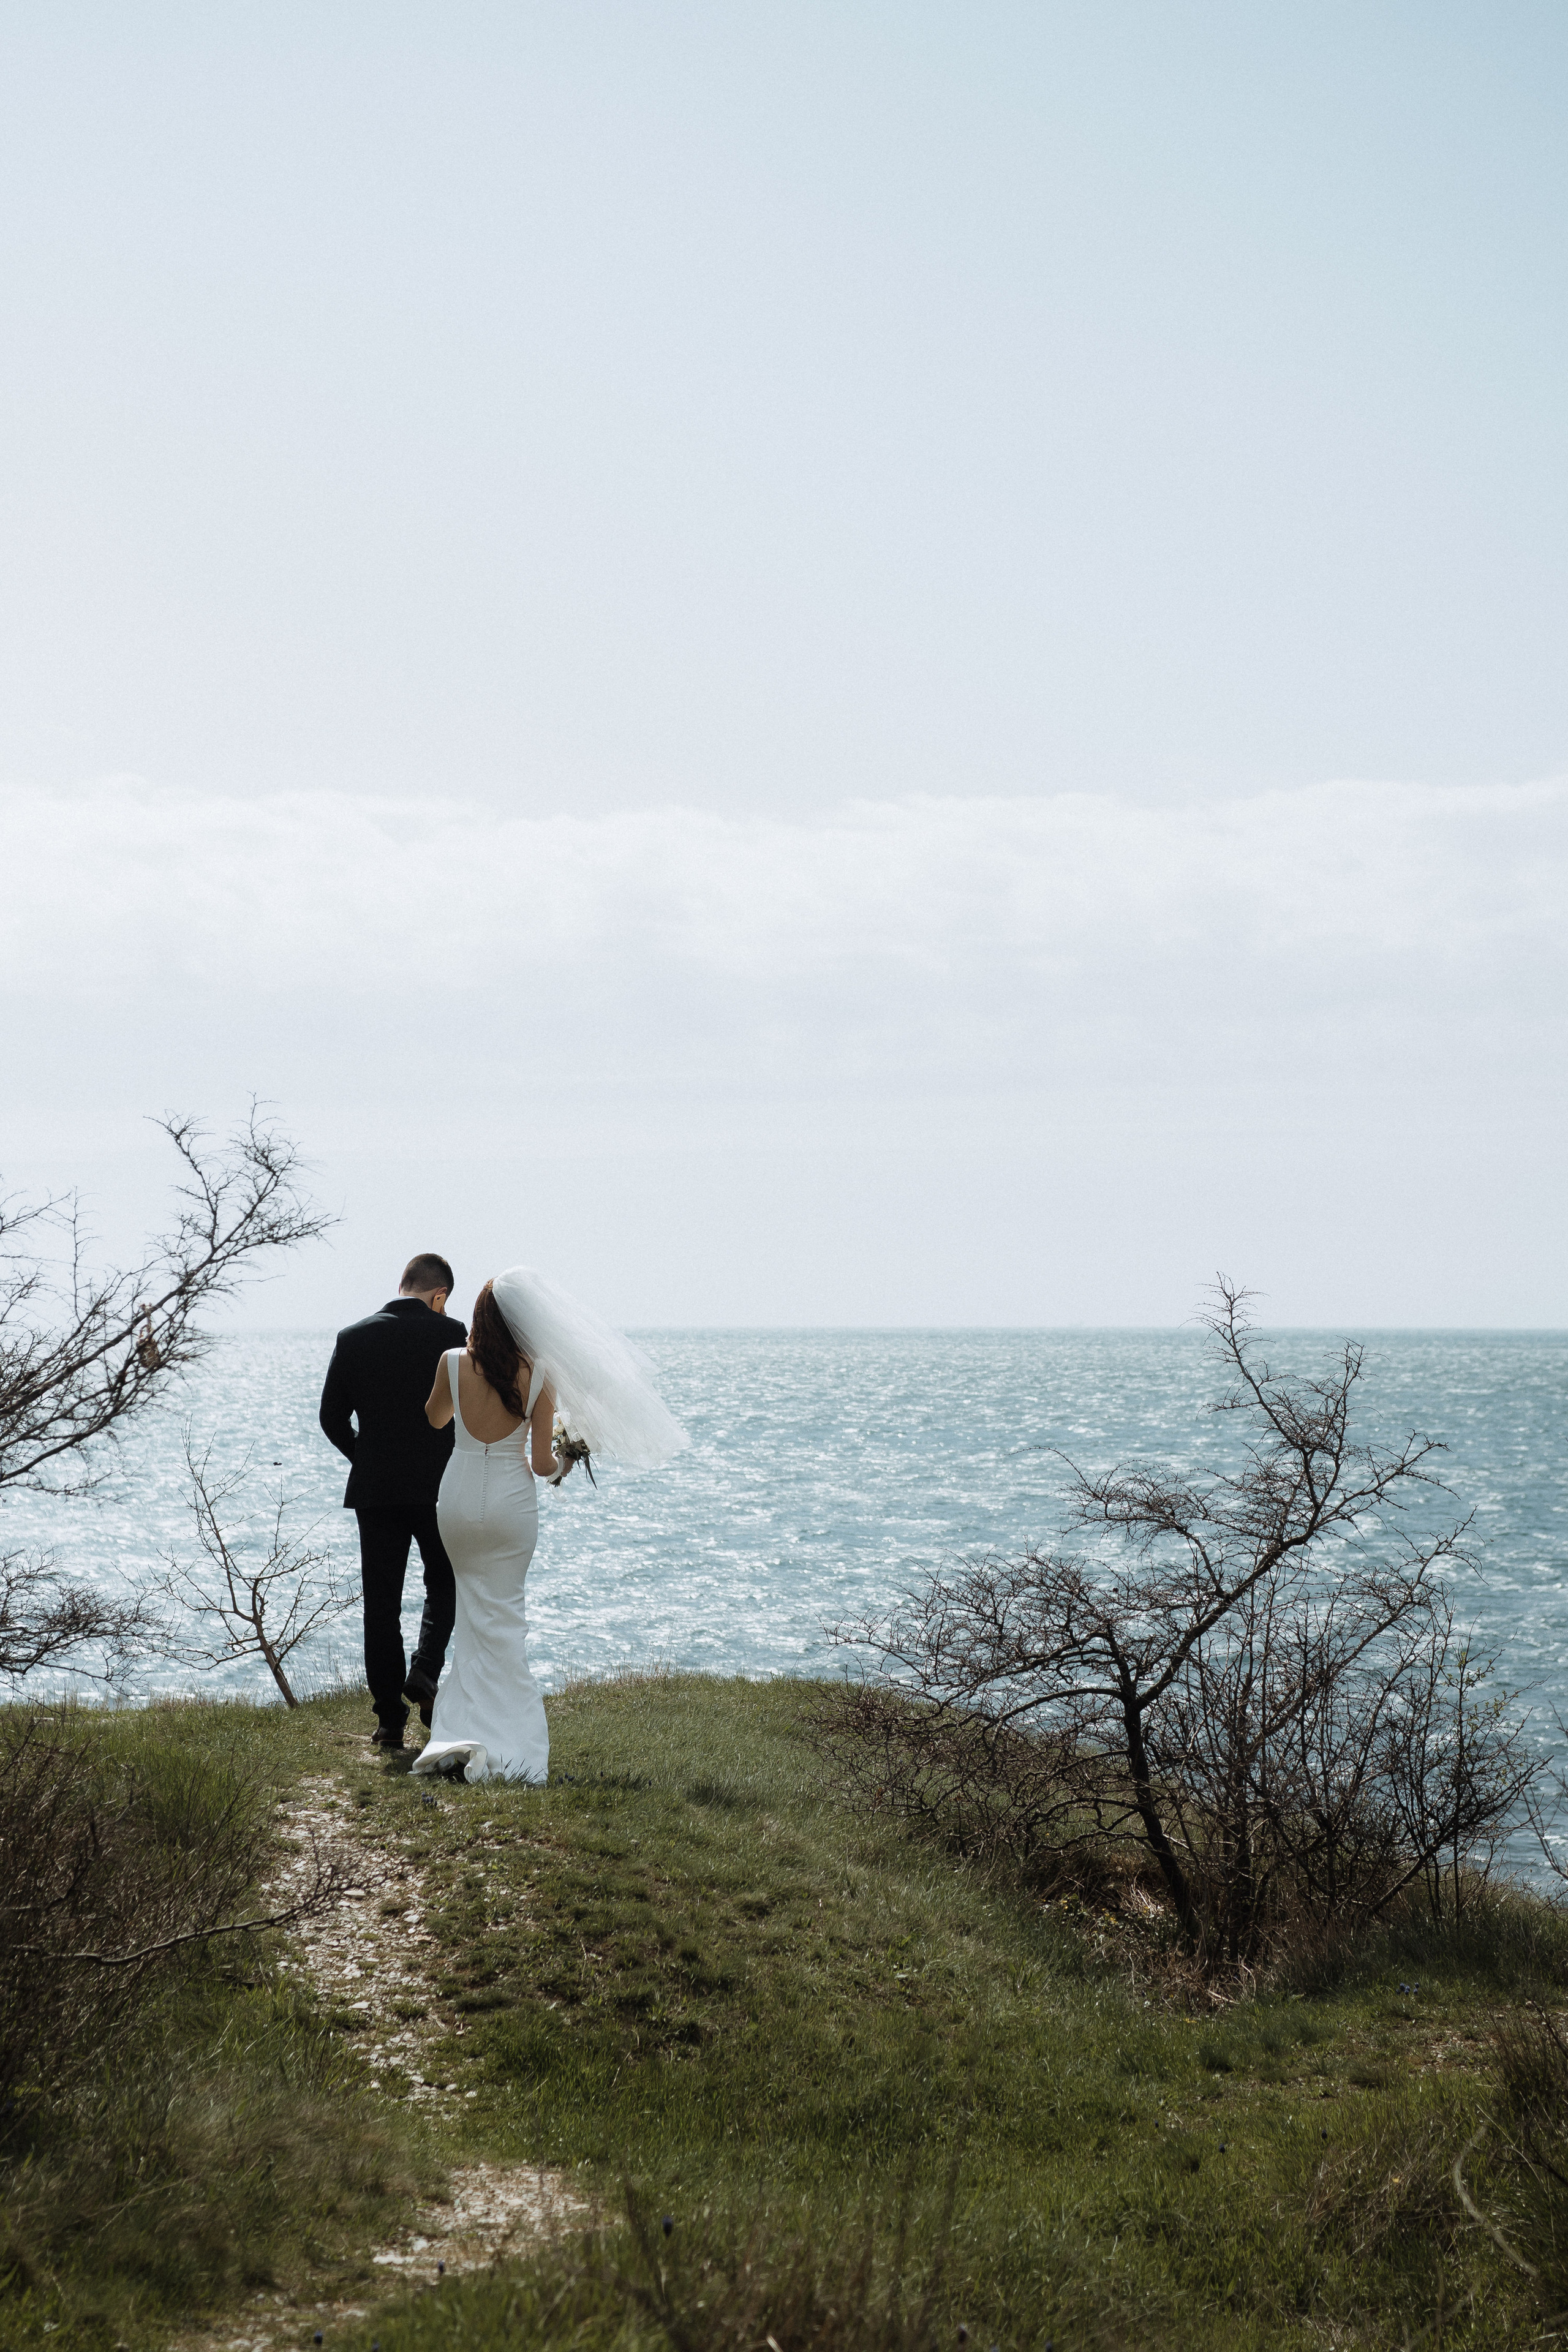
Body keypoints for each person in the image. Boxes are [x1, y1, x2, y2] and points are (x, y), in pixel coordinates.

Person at [412, 1264, 688, 1787]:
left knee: (470, 1615)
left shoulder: (451, 1362)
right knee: (504, 1619)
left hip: (458, 1499)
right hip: (511, 1506)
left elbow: (435, 1418)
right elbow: (542, 1465)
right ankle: (509, 1744)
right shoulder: (540, 1373)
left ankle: (458, 1731)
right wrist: (568, 1458)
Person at [318, 1253, 469, 1751]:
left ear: (403, 1285)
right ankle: (425, 1671)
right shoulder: (452, 1334)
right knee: (445, 1579)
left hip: (376, 1490)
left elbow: (331, 1418)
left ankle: (389, 1721)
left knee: (380, 1605)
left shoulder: (352, 1337)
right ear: (440, 1295)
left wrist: (365, 1457)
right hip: (438, 1485)